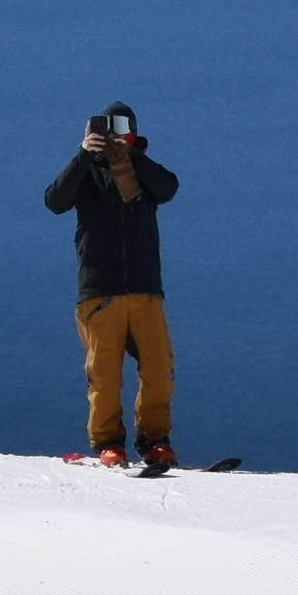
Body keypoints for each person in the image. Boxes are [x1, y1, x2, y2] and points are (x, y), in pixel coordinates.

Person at [44, 103, 181, 472]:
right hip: (100, 292)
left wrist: (132, 156)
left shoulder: (143, 172)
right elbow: (55, 200)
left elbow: (169, 188)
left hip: (145, 289)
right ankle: (109, 445)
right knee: (104, 374)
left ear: (135, 133)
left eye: (123, 130)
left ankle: (155, 441)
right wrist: (83, 155)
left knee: (158, 368)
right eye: (108, 131)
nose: (115, 136)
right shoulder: (86, 174)